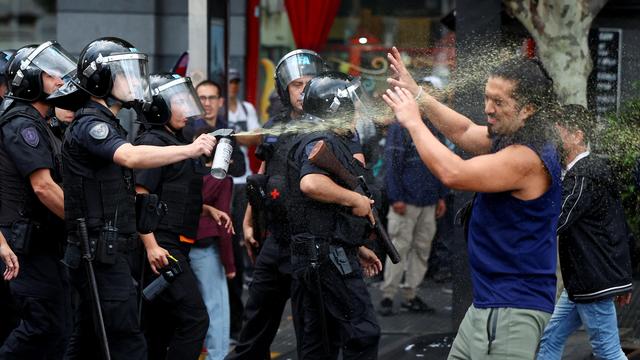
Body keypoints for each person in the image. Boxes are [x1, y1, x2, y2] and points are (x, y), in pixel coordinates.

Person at [383, 48, 562, 359]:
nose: (488, 108)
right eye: (487, 97)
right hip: (489, 303)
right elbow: (462, 130)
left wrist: (414, 123)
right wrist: (418, 94)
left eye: (499, 102)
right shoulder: (511, 136)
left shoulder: (526, 157)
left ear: (529, 109)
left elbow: (453, 173)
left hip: (511, 310)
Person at [58, 37, 216, 360]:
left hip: (107, 250)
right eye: (122, 74)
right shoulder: (91, 124)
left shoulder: (105, 122)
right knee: (128, 343)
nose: (132, 82)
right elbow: (129, 157)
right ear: (100, 79)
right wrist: (190, 149)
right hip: (98, 253)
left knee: (88, 340)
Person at [226, 49, 326, 359]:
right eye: (297, 84)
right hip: (276, 239)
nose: (304, 90)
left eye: (310, 83)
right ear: (285, 88)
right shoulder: (277, 125)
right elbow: (263, 172)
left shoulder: (329, 124)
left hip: (311, 242)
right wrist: (248, 219)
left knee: (310, 331)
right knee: (255, 321)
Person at [286, 71, 382, 359]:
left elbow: (319, 210)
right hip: (326, 256)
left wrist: (356, 245)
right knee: (363, 332)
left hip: (317, 251)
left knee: (320, 342)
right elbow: (311, 184)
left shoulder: (319, 138)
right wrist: (356, 199)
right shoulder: (322, 141)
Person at [536, 105, 632, 360]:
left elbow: (557, 220)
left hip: (592, 281)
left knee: (607, 350)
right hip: (582, 281)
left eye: (559, 132)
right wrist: (624, 279)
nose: (553, 138)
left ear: (577, 136)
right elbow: (620, 228)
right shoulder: (592, 169)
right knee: (551, 339)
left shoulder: (583, 176)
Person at [0, 41, 76, 359]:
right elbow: (44, 188)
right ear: (29, 79)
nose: (60, 81)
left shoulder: (41, 124)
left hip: (40, 244)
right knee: (43, 327)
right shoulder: (22, 124)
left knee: (58, 329)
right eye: (50, 75)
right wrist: (84, 221)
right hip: (23, 247)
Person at [134, 73, 211, 359]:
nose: (187, 108)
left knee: (159, 326)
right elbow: (140, 196)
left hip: (174, 244)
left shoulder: (175, 140)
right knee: (195, 319)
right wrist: (152, 245)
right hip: (162, 247)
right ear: (158, 106)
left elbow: (173, 194)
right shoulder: (154, 141)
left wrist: (209, 210)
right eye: (178, 101)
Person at [378, 120, 447, 316]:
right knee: (399, 249)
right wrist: (396, 197)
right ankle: (388, 295)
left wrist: (441, 195)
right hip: (406, 201)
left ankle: (410, 294)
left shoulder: (433, 127)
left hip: (428, 200)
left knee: (421, 250)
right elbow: (392, 164)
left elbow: (441, 162)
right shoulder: (400, 127)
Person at [190, 129, 235, 359]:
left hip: (183, 246)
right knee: (216, 308)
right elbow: (224, 224)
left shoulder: (189, 173)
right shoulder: (222, 180)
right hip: (208, 250)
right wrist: (230, 266)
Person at [225, 67, 261, 340]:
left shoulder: (246, 109)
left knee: (242, 227)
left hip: (243, 176)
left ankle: (244, 268)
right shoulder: (220, 107)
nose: (234, 87)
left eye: (237, 82)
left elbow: (255, 138)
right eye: (230, 82)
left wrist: (232, 135)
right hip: (224, 178)